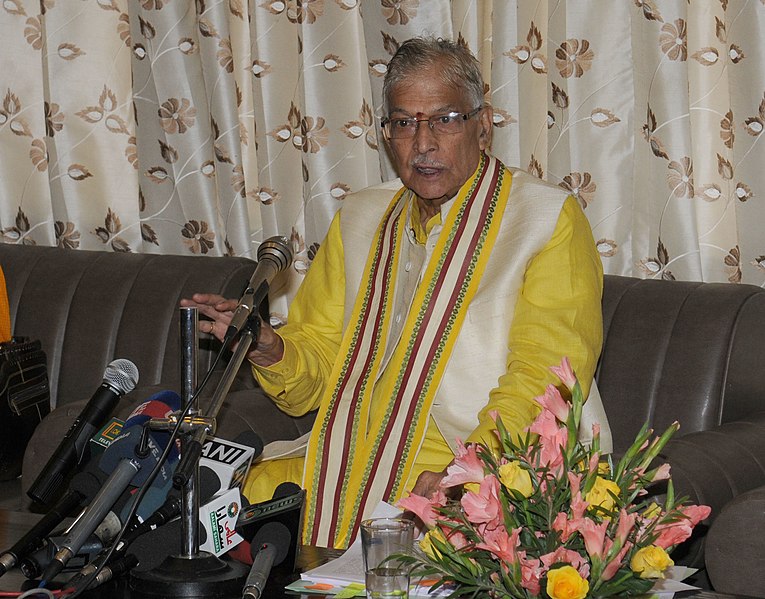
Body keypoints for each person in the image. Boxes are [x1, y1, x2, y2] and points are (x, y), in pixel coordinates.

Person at [182, 37, 607, 549]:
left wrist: (467, 470)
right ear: (387, 135)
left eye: (445, 119)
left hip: (481, 463)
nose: (422, 143)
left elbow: (544, 379)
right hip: (354, 460)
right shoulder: (360, 218)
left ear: (484, 125)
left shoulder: (544, 219)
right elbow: (316, 376)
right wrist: (270, 348)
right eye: (404, 123)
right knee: (215, 509)